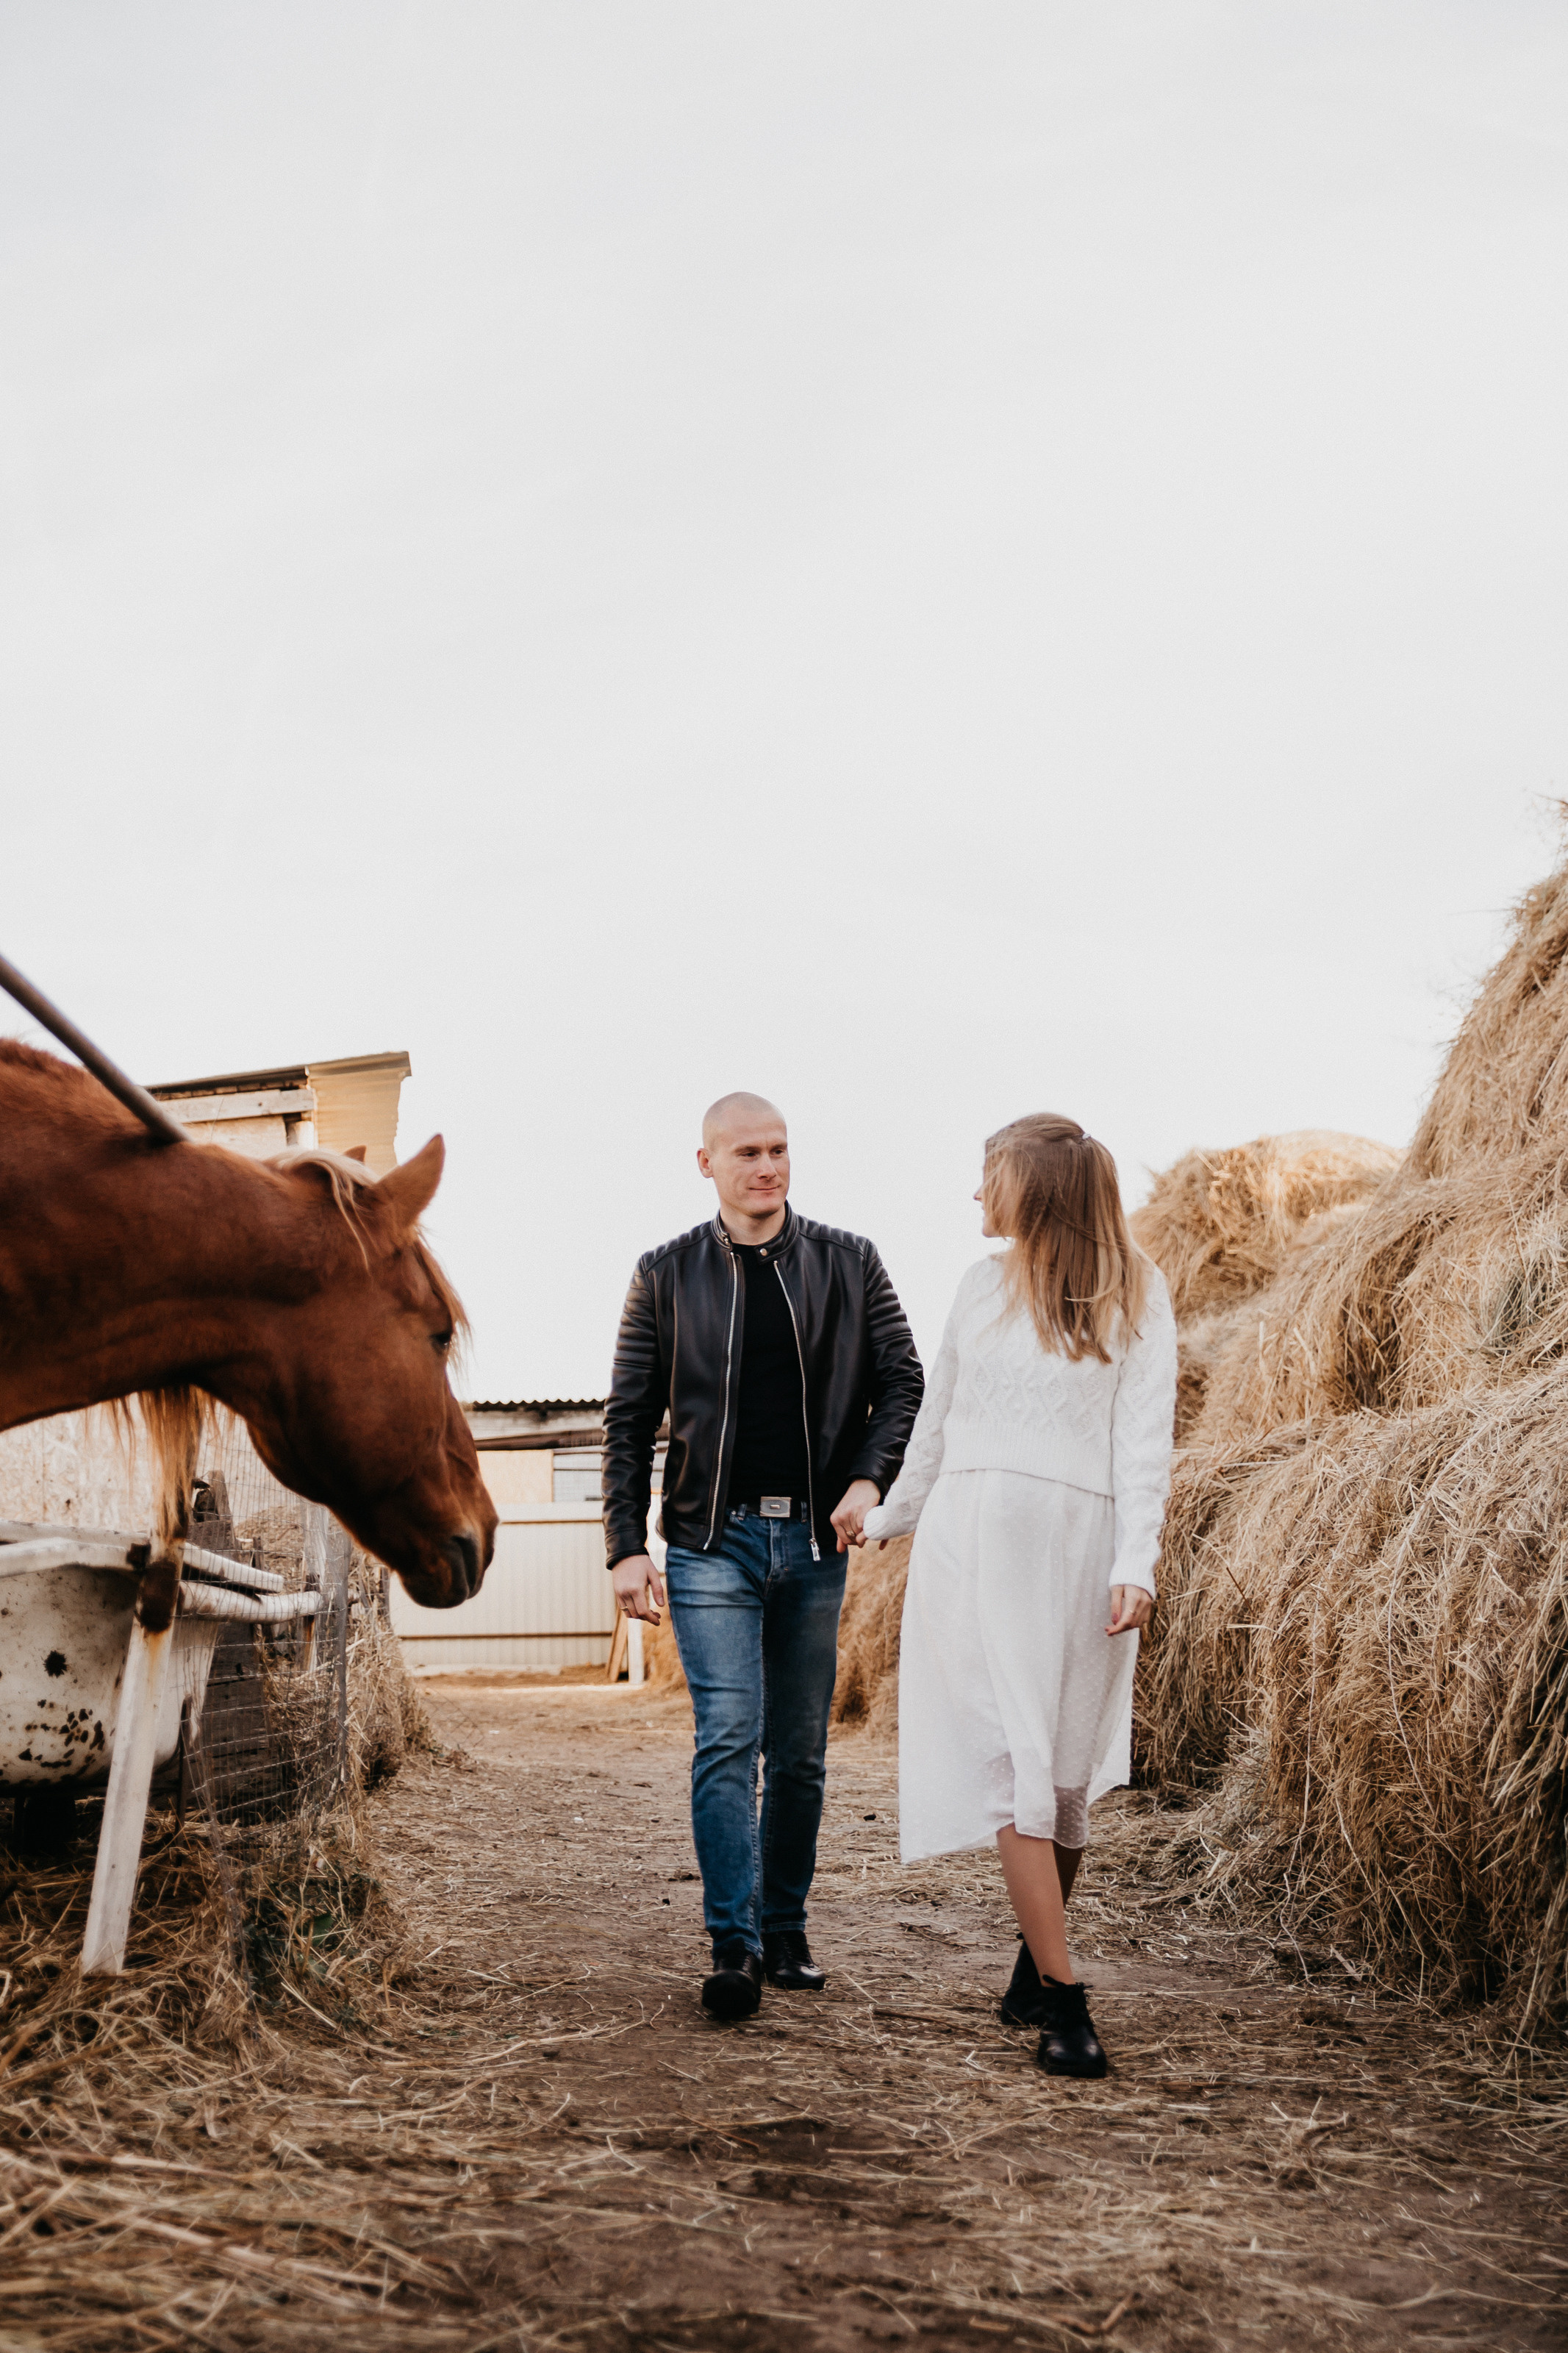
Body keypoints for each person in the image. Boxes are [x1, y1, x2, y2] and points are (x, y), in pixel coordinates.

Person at [862, 1113, 1176, 2079]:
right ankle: (1067, 2001)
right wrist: (887, 1518)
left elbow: (1144, 1439)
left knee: (1065, 1774)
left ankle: (1031, 1967)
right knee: (1014, 1760)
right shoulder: (975, 1287)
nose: (974, 1193)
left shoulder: (1134, 1288)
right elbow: (938, 1420)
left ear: (1031, 1188)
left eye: (987, 1174)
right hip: (975, 1548)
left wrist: (1137, 1560)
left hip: (1081, 1553)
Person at [603, 1093, 923, 2021]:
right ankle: (732, 1942)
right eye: (748, 1151)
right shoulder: (663, 1275)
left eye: (780, 1149)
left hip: (818, 1541)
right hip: (712, 1541)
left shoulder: (849, 1261)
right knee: (729, 1740)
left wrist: (869, 1482)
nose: (769, 1166)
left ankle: (786, 1928)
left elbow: (905, 1381)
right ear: (706, 1163)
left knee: (801, 1751)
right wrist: (628, 1545)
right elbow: (627, 1422)